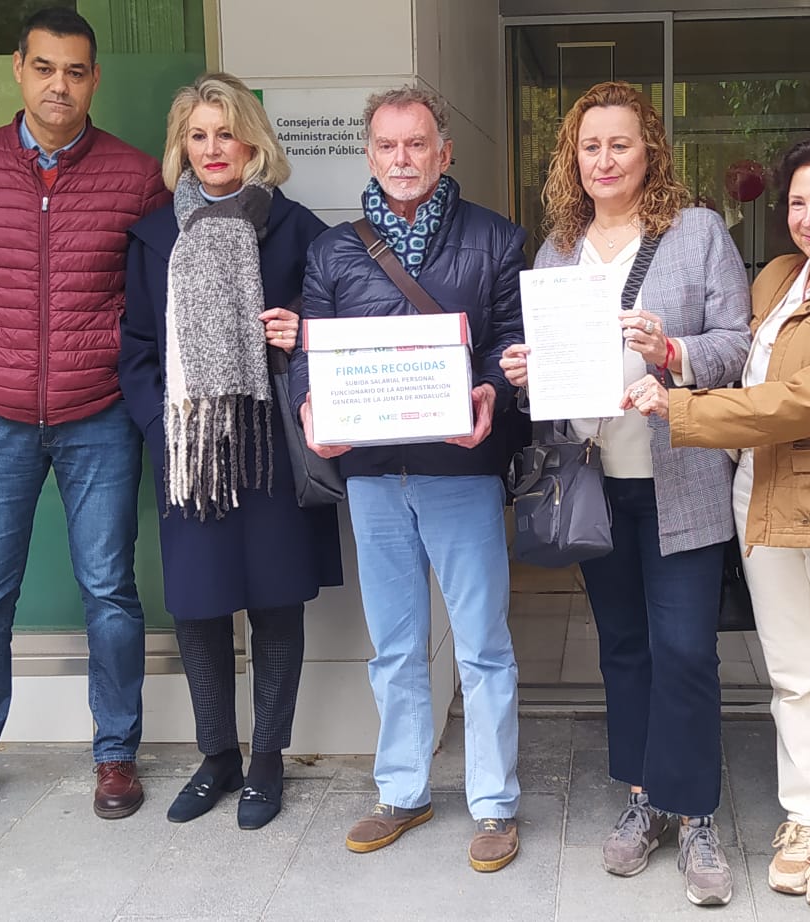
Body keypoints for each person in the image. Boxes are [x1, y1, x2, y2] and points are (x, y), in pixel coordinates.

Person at [625, 132, 810, 911]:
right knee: (791, 679)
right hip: (764, 500)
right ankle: (803, 817)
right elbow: (745, 359)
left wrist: (682, 410)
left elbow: (805, 402)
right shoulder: (780, 277)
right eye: (798, 202)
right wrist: (675, 353)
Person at [0, 6, 168, 830]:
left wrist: (113, 359)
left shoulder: (133, 175)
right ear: (18, 69)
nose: (61, 85)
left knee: (110, 592)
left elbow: (154, 293)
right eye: (46, 68)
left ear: (95, 79)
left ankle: (116, 753)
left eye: (77, 71)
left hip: (98, 417)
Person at [497, 80, 750, 906]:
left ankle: (697, 809)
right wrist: (527, 376)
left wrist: (672, 352)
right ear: (574, 156)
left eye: (621, 144)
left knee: (686, 649)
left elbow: (736, 346)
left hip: (680, 477)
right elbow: (552, 384)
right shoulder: (558, 249)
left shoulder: (697, 232)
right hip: (594, 481)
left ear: (651, 151)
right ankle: (644, 798)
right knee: (624, 647)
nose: (605, 160)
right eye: (591, 146)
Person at [290, 86, 528, 872]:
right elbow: (308, 357)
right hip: (371, 476)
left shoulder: (495, 240)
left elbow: (510, 343)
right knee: (394, 644)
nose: (402, 159)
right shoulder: (331, 252)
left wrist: (492, 386)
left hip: (458, 468)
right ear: (369, 154)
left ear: (444, 151)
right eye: (388, 146)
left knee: (484, 645)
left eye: (417, 144)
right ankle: (403, 790)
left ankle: (494, 804)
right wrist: (309, 411)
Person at [117, 72, 341, 830]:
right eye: (198, 134)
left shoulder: (298, 230)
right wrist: (164, 429)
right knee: (199, 606)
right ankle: (218, 758)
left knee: (276, 601)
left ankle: (267, 762)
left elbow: (332, 325)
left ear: (253, 141)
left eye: (226, 132)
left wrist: (300, 331)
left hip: (272, 446)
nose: (213, 148)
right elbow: (138, 353)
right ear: (182, 145)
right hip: (190, 454)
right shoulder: (153, 237)